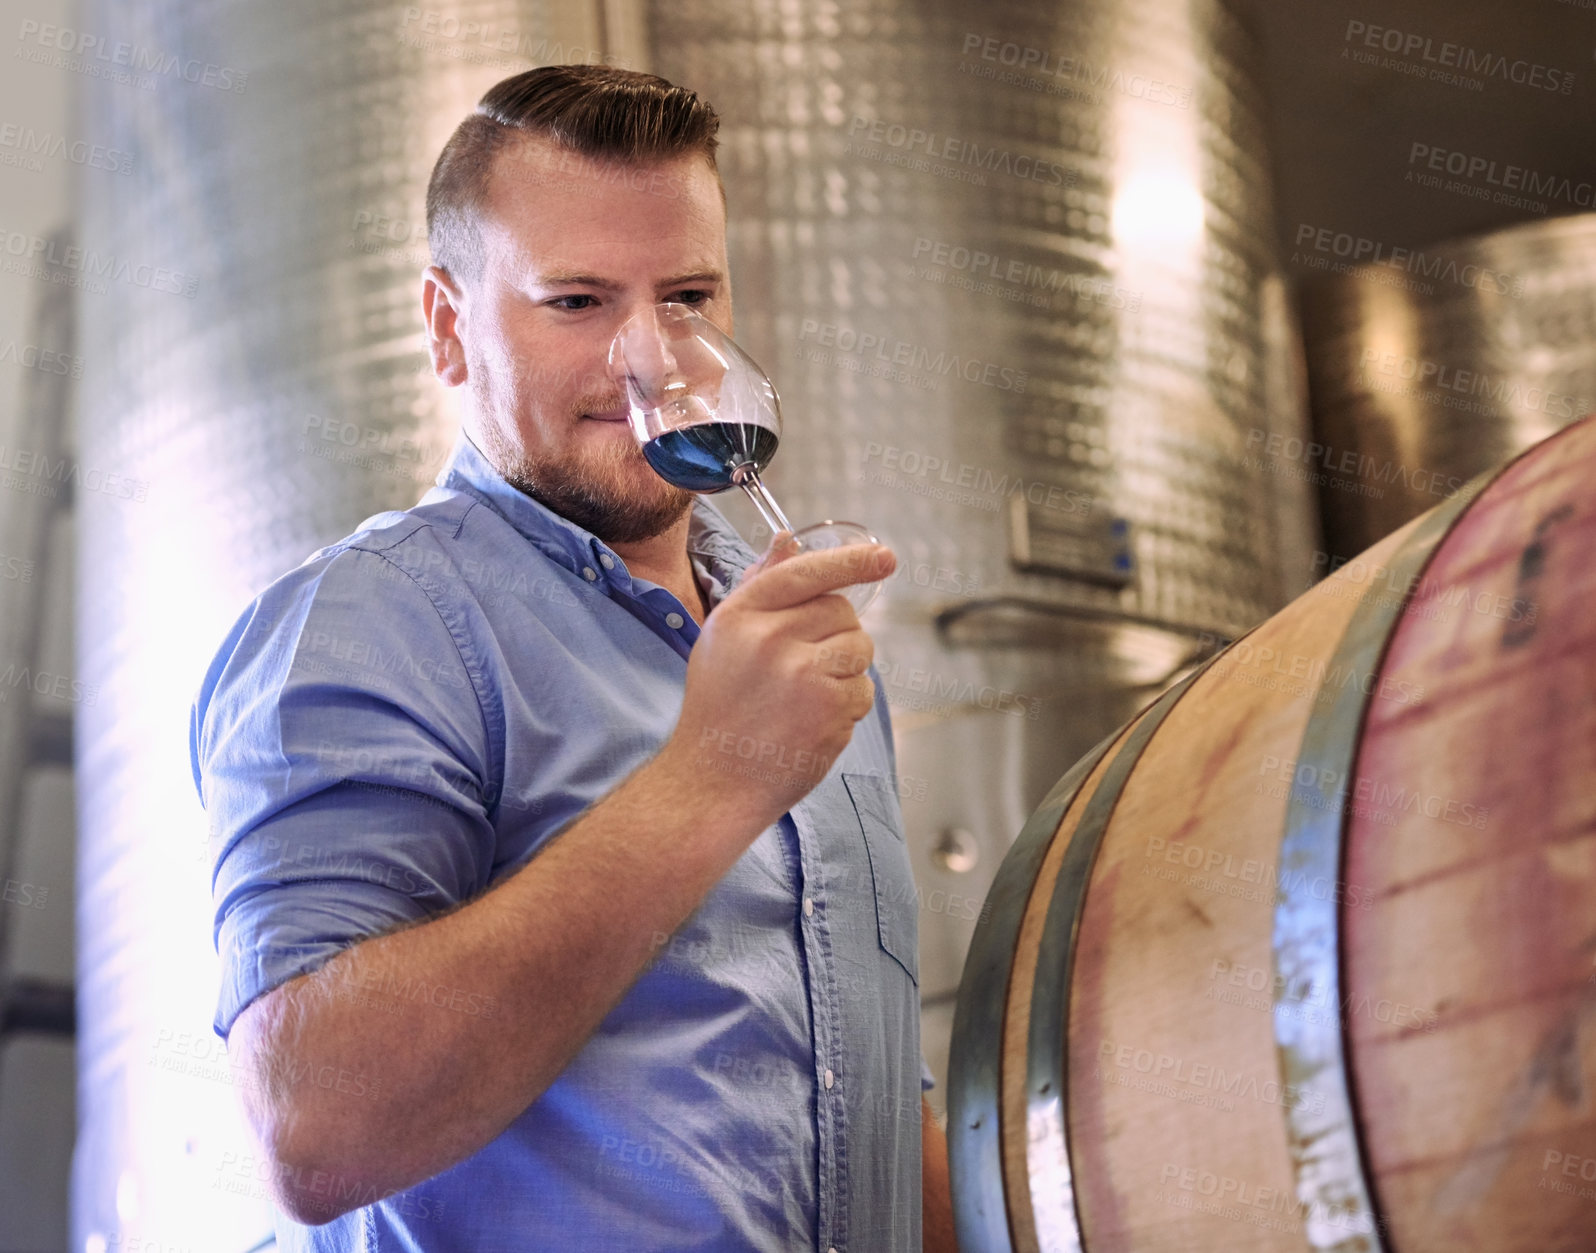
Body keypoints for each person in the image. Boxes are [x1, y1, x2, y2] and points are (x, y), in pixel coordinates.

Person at [190, 64, 957, 1252]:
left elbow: (871, 1111)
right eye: (579, 302)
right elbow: (317, 1123)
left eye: (689, 294)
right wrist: (712, 776)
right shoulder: (368, 625)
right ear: (450, 327)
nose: (651, 356)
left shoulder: (803, 664)